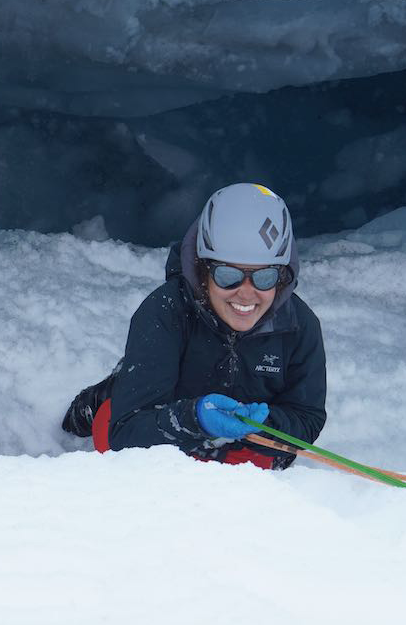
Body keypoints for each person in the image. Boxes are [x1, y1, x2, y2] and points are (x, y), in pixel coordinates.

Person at [62, 183, 326, 469]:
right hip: (172, 423)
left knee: (260, 465)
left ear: (283, 277)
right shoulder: (165, 313)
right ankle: (116, 385)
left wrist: (262, 425)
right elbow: (124, 433)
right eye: (228, 276)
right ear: (204, 270)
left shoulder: (299, 326)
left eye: (264, 278)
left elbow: (307, 417)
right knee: (109, 432)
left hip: (242, 444)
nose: (247, 293)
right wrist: (194, 418)